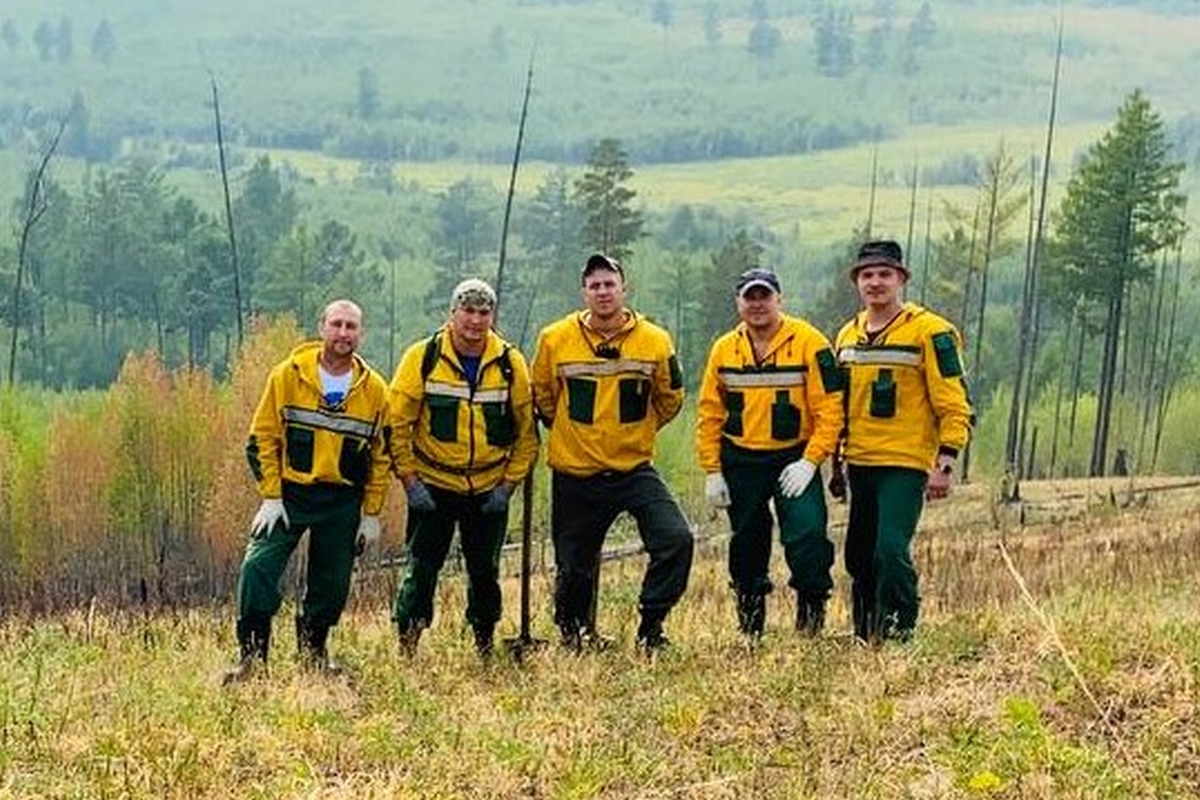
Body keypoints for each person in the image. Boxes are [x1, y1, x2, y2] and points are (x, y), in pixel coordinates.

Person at [531, 253, 693, 652]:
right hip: (575, 472)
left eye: (609, 284)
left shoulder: (655, 340)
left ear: (624, 289)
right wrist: (571, 434)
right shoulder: (554, 338)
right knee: (574, 567)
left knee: (676, 539)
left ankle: (651, 626)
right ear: (583, 292)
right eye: (594, 285)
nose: (602, 292)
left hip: (633, 469)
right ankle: (575, 635)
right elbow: (544, 397)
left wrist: (637, 432)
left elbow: (671, 397)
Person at [225, 299, 391, 683]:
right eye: (337, 324)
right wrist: (270, 497)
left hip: (342, 501)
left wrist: (371, 514)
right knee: (257, 568)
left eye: (351, 326)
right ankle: (252, 660)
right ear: (322, 328)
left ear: (360, 333)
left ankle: (314, 657)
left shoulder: (375, 391)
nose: (343, 333)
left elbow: (381, 457)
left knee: (332, 584)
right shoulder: (287, 376)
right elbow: (262, 438)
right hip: (290, 495)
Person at [387, 278, 538, 656]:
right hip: (433, 486)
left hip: (488, 489)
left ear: (492, 316)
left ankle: (484, 644)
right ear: (452, 313)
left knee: (485, 571)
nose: (475, 320)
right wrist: (410, 482)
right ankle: (408, 645)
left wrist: (507, 487)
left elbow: (527, 435)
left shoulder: (511, 363)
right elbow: (396, 425)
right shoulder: (422, 358)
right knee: (422, 570)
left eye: (483, 312)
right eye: (467, 311)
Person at [834, 240, 973, 643]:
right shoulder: (847, 334)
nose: (875, 282)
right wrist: (836, 461)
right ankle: (867, 634)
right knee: (859, 555)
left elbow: (954, 402)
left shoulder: (932, 332)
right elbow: (839, 404)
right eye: (867, 275)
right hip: (860, 461)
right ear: (857, 281)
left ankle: (900, 630)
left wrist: (945, 461)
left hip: (905, 462)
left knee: (890, 550)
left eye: (884, 274)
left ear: (901, 279)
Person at [696, 267, 844, 639]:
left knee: (808, 536)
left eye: (765, 296)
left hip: (794, 456)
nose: (758, 304)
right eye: (750, 297)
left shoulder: (811, 342)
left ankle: (810, 624)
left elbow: (830, 409)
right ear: (738, 303)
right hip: (741, 459)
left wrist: (811, 460)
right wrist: (712, 470)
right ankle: (750, 630)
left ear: (780, 299)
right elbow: (710, 413)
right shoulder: (724, 349)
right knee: (747, 541)